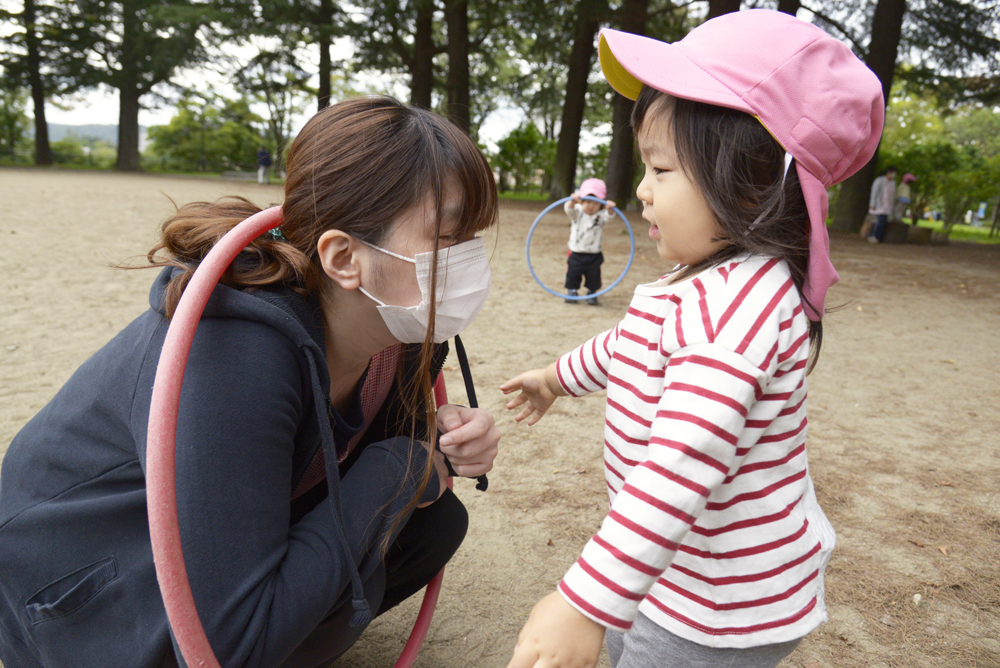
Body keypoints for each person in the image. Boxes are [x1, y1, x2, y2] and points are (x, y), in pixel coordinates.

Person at [0, 97, 502, 668]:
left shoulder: (402, 329)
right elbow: (224, 646)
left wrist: (447, 444)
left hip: (201, 543)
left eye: (473, 238)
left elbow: (409, 455)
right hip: (78, 584)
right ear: (344, 257)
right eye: (447, 239)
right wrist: (404, 468)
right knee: (271, 622)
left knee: (434, 526)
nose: (469, 261)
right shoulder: (238, 352)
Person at [499, 10, 883, 668]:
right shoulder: (700, 281)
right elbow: (627, 344)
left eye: (663, 170)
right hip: (671, 564)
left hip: (718, 602)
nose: (641, 192)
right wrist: (557, 376)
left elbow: (679, 465)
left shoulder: (740, 309)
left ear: (757, 178)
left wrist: (585, 600)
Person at [564, 178, 616, 306]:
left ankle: (591, 293)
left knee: (594, 276)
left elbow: (610, 217)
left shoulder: (601, 215)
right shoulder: (578, 212)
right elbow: (569, 210)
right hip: (576, 252)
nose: (591, 206)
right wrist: (572, 201)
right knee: (573, 274)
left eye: (595, 203)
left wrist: (610, 209)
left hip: (594, 254)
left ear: (601, 204)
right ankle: (572, 291)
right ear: (581, 201)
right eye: (587, 201)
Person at [868, 166, 897, 242]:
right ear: (888, 172)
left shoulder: (893, 183)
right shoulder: (879, 180)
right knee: (879, 222)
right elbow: (874, 192)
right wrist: (873, 204)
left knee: (882, 222)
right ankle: (874, 236)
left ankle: (878, 237)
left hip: (887, 207)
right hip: (879, 206)